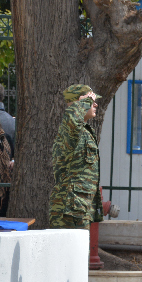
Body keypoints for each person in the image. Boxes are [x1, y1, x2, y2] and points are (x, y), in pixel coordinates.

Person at [49, 85, 103, 229]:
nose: (95, 104)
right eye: (92, 101)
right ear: (79, 102)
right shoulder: (70, 128)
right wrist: (84, 102)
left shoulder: (84, 131)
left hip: (78, 208)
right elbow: (72, 118)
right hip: (69, 209)